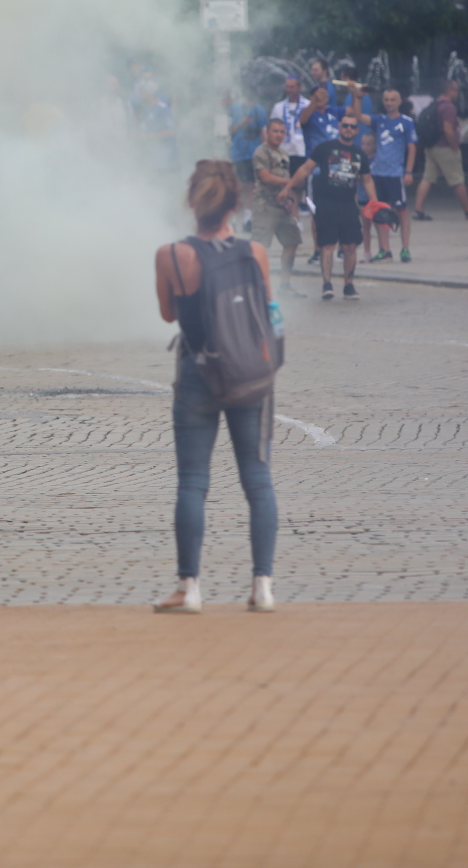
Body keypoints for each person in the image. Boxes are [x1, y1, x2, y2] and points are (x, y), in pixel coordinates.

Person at [152, 160, 279, 616]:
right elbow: (268, 309)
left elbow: (168, 314)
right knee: (258, 482)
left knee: (192, 483)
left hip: (197, 373)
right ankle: (262, 586)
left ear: (192, 203)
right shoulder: (256, 253)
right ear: (235, 204)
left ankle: (189, 589)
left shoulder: (171, 255)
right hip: (250, 375)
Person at [281, 113, 366, 300]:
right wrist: (289, 187)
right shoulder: (325, 148)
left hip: (348, 204)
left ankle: (348, 285)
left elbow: (367, 179)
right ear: (339, 127)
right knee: (327, 245)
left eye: (352, 126)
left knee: (350, 245)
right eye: (345, 125)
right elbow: (305, 169)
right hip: (326, 202)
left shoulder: (359, 154)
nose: (348, 129)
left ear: (357, 130)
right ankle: (327, 284)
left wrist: (375, 203)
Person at [412, 80, 468, 221]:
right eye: (455, 90)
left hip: (431, 147)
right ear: (449, 91)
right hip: (445, 148)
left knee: (427, 178)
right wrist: (455, 147)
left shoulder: (435, 104)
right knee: (457, 179)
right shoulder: (449, 107)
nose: (457, 93)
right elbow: (448, 130)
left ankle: (418, 210)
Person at [248, 118, 302, 293]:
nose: (278, 135)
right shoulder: (261, 152)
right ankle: (255, 285)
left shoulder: (284, 153)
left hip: (282, 208)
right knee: (259, 247)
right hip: (265, 207)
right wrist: (291, 181)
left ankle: (285, 284)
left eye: (281, 131)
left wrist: (290, 198)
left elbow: (286, 183)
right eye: (275, 131)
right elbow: (266, 177)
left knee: (292, 241)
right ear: (267, 132)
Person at [364, 88, 416, 262]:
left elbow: (412, 147)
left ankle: (405, 248)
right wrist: (357, 97)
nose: (389, 103)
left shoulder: (406, 122)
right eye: (386, 99)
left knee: (401, 210)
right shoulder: (379, 120)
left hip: (395, 173)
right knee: (380, 212)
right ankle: (384, 249)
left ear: (399, 101)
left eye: (393, 99)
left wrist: (408, 171)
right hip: (378, 173)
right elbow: (358, 116)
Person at [226, 92, 266, 200]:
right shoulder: (235, 109)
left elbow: (263, 132)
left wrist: (265, 152)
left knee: (251, 183)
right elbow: (230, 130)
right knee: (239, 183)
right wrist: (243, 122)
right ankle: (238, 209)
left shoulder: (259, 110)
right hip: (238, 152)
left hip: (254, 152)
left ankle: (249, 212)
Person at [269, 76, 311, 173]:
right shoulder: (278, 107)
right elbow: (271, 129)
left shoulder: (308, 105)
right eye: (287, 87)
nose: (289, 90)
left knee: (301, 183)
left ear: (299, 88)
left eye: (292, 87)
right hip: (284, 152)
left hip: (302, 152)